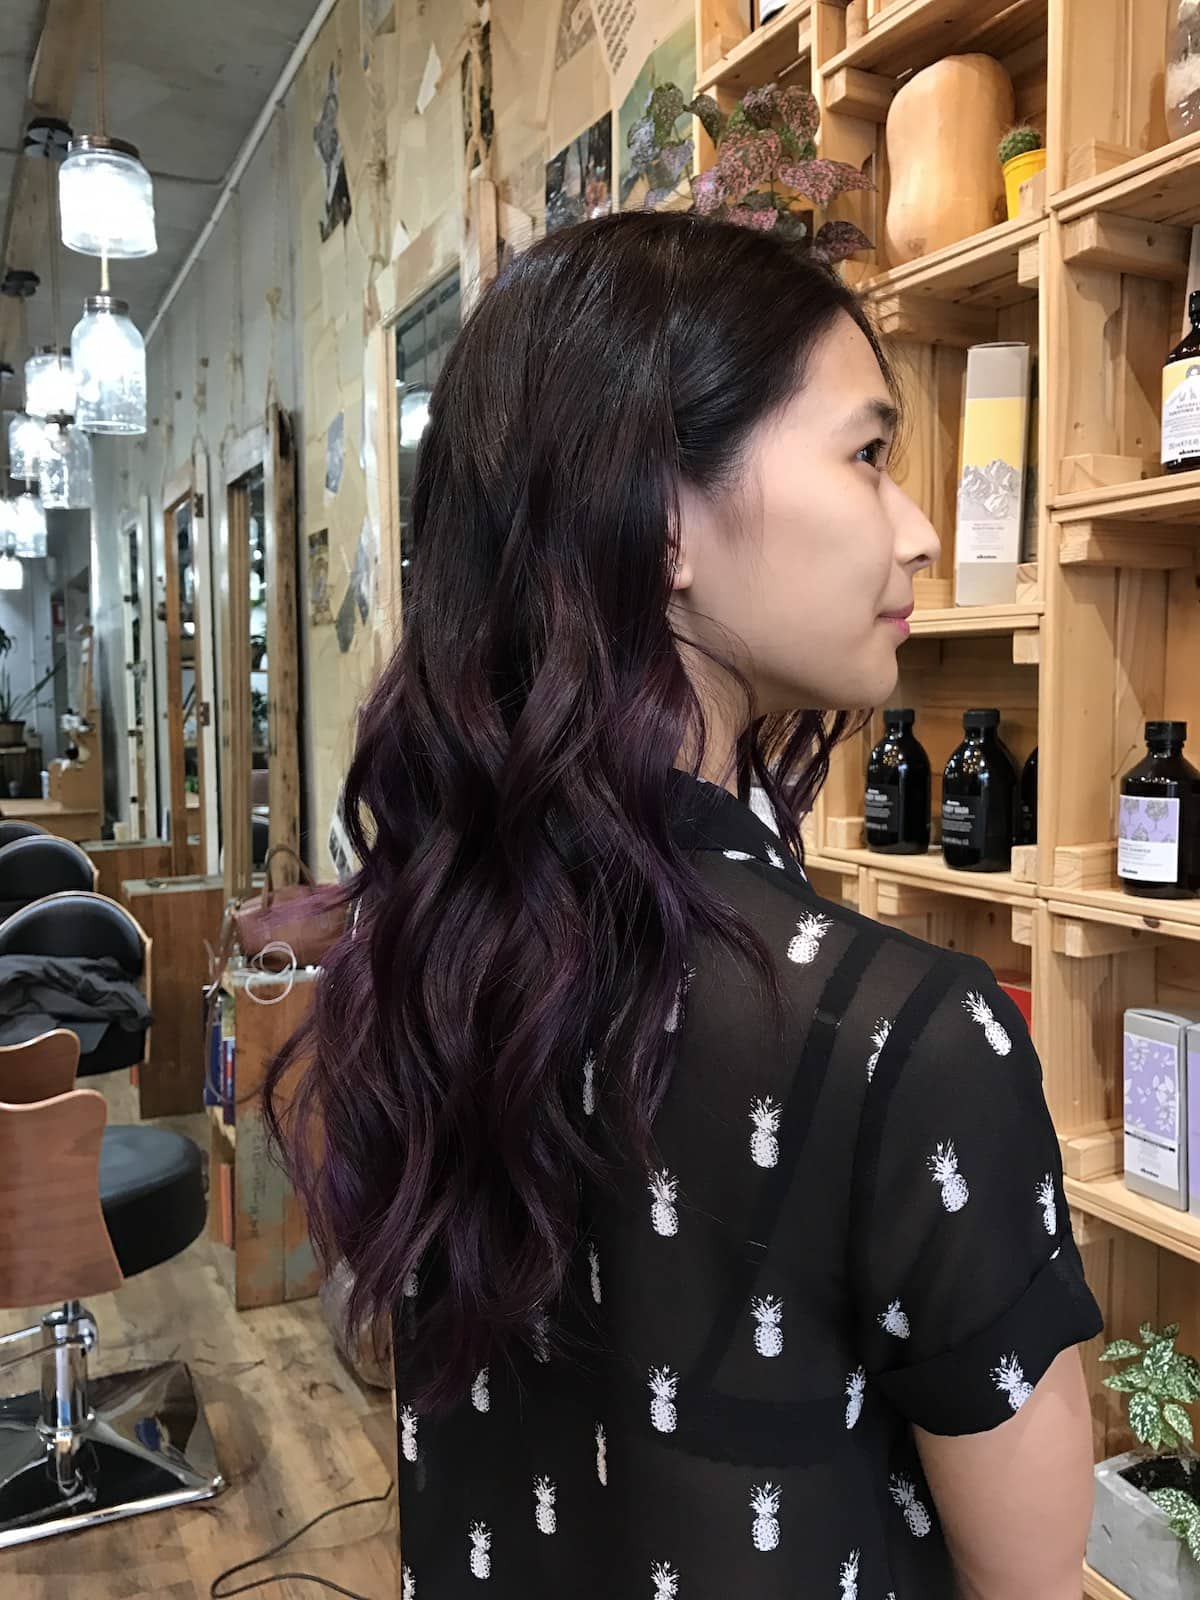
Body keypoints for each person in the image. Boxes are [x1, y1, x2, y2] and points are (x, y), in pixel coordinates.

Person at [265, 212, 1102, 1599]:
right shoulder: (908, 1039)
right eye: (870, 452)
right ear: (666, 517)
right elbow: (1032, 1583)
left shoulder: (433, 947)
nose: (919, 524)